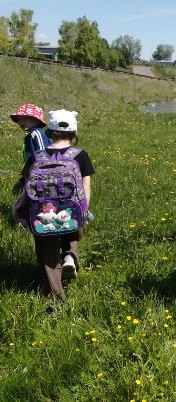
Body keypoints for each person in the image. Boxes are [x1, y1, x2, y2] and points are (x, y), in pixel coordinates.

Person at [19, 110, 94, 305]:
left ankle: (55, 299)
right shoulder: (80, 155)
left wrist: (18, 210)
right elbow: (86, 186)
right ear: (74, 133)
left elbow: (28, 188)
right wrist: (83, 209)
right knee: (72, 228)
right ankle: (70, 256)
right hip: (71, 209)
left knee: (47, 252)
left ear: (49, 132)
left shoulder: (37, 157)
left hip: (42, 212)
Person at [10, 103, 51, 194]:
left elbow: (42, 155)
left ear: (36, 120)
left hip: (40, 173)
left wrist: (39, 174)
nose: (21, 122)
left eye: (25, 118)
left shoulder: (37, 134)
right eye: (19, 119)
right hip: (33, 171)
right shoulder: (32, 134)